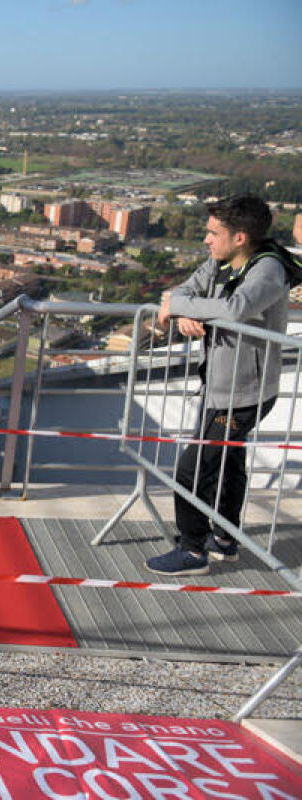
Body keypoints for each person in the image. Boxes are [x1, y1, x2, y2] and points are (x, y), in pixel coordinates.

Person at [146, 194, 302, 576]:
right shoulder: (220, 262)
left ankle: (192, 550)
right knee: (230, 462)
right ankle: (226, 540)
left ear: (241, 237)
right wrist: (180, 307)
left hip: (243, 392)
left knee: (193, 469)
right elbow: (182, 291)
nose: (206, 240)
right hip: (220, 385)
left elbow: (235, 309)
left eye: (214, 233)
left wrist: (182, 308)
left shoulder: (268, 269)